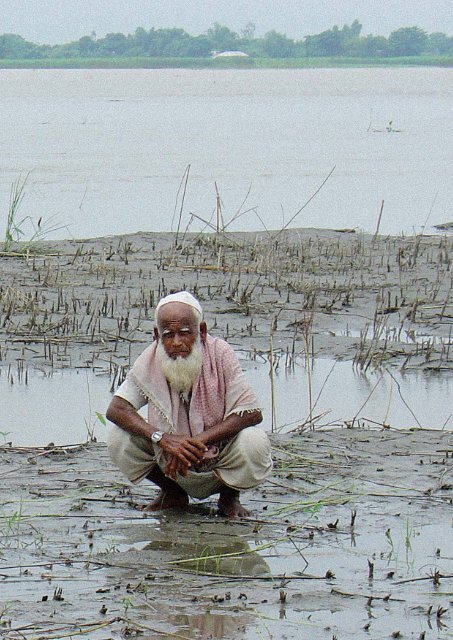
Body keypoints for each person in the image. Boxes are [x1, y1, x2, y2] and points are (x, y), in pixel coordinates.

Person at [106, 291, 272, 518]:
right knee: (119, 438)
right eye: (168, 334)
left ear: (201, 331)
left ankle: (229, 498)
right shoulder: (151, 358)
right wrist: (162, 439)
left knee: (253, 441)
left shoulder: (220, 353)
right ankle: (172, 494)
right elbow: (116, 409)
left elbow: (251, 413)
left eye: (184, 333)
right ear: (156, 335)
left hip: (219, 456)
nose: (176, 343)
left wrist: (196, 442)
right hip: (172, 463)